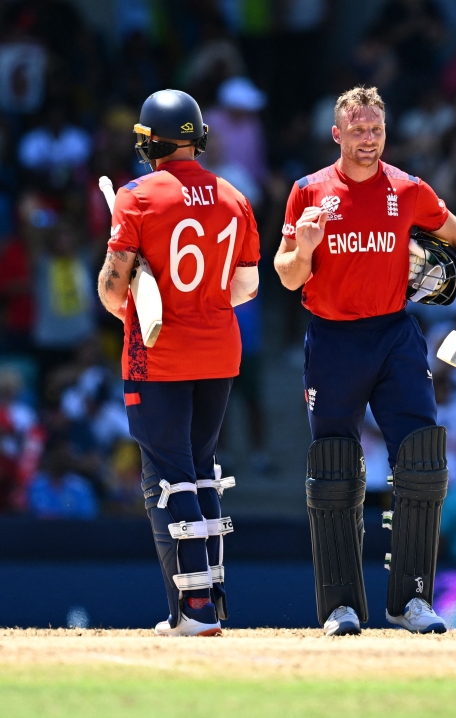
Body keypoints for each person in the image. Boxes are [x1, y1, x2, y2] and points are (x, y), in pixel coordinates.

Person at [274, 86, 456, 637]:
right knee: (334, 468)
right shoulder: (308, 192)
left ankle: (412, 600)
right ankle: (340, 606)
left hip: (395, 332)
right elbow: (289, 277)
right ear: (337, 133)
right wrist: (304, 247)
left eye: (376, 131)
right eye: (358, 131)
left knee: (422, 460)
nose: (368, 141)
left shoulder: (409, 189)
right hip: (333, 339)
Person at [96, 90, 261, 637]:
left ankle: (191, 611)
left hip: (158, 354)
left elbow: (114, 293)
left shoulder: (135, 196)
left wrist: (139, 278)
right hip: (220, 349)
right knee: (201, 466)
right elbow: (244, 287)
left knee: (170, 475)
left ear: (150, 142)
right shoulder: (236, 196)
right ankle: (207, 598)